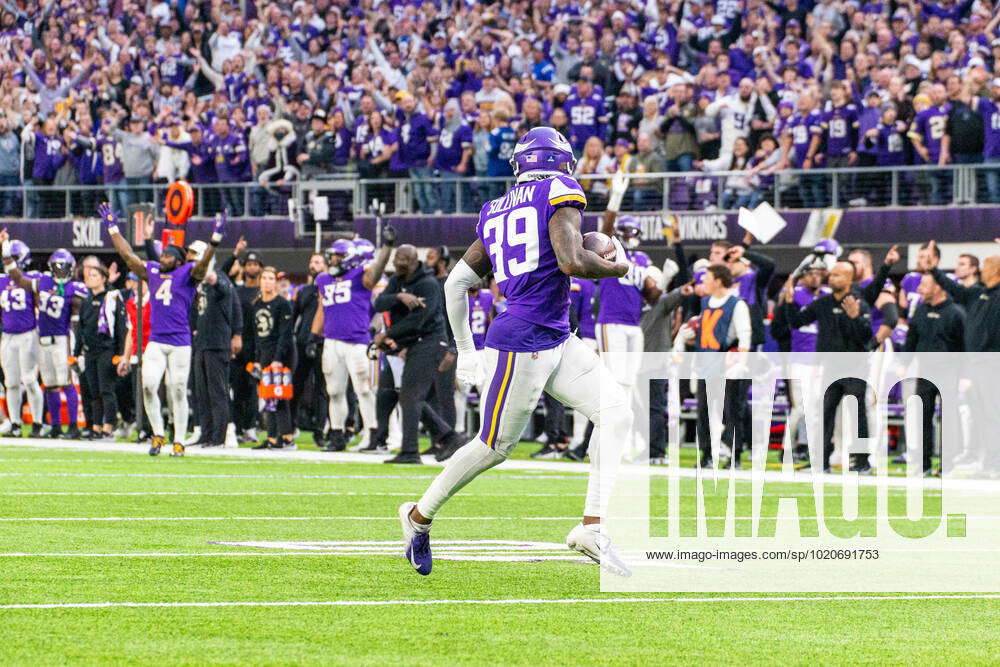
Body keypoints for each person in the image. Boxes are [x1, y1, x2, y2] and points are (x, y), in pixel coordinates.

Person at [397, 127, 632, 577]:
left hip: (555, 335)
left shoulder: (493, 209)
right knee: (493, 446)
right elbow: (571, 262)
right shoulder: (561, 189)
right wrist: (618, 265)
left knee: (616, 412)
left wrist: (466, 348)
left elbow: (456, 283)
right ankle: (418, 517)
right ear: (562, 161)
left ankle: (591, 526)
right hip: (522, 340)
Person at [100, 203, 223, 457]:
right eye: (162, 255)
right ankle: (157, 434)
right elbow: (127, 255)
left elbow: (202, 267)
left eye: (167, 256)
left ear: (178, 260)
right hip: (156, 340)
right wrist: (112, 226)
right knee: (148, 385)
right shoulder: (153, 272)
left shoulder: (188, 273)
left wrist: (214, 241)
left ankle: (179, 440)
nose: (162, 258)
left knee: (177, 388)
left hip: (180, 341)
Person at [372, 244, 465, 464]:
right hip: (416, 344)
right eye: (396, 259)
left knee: (412, 395)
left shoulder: (428, 285)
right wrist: (399, 297)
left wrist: (388, 335)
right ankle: (447, 437)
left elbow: (420, 320)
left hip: (433, 342)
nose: (397, 263)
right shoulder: (398, 281)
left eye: (402, 260)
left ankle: (412, 451)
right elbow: (378, 303)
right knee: (410, 395)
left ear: (414, 261)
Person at [779, 260, 873, 472]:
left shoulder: (858, 303)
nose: (832, 278)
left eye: (838, 275)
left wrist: (855, 318)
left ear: (849, 279)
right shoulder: (823, 303)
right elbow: (796, 321)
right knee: (825, 414)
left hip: (855, 366)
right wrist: (788, 302)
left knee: (857, 415)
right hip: (830, 367)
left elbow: (867, 338)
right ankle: (820, 461)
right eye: (831, 275)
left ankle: (862, 461)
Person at [309, 234, 392, 452]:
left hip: (357, 341)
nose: (333, 260)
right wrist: (313, 334)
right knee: (334, 391)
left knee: (363, 390)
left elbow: (377, 270)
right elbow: (322, 308)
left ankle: (373, 434)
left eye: (337, 256)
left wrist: (387, 247)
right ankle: (337, 434)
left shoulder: (360, 276)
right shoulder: (323, 280)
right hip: (331, 342)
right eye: (333, 256)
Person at [0, 245, 86, 438]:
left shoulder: (74, 288)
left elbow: (79, 316)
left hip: (62, 338)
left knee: (65, 382)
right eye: (57, 267)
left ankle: (72, 426)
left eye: (64, 267)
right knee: (49, 384)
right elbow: (20, 280)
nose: (60, 271)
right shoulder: (43, 281)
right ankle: (55, 426)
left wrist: (77, 348)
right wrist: (7, 256)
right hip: (42, 338)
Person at [674, 264, 752, 468]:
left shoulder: (737, 304)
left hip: (727, 363)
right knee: (704, 412)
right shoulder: (705, 302)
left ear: (718, 280)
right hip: (705, 364)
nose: (704, 282)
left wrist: (740, 364)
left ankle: (734, 456)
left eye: (707, 278)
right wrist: (690, 339)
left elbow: (744, 336)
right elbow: (704, 331)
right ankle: (707, 455)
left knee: (731, 411)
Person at [904, 272, 965, 474]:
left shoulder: (957, 313)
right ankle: (923, 464)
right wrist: (903, 364)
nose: (919, 288)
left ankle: (947, 464)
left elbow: (965, 346)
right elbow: (911, 341)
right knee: (922, 418)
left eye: (924, 284)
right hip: (924, 374)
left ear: (938, 287)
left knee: (949, 419)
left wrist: (965, 375)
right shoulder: (920, 311)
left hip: (949, 374)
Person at [190, 241, 241, 448]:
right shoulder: (201, 281)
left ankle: (219, 437)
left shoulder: (218, 277)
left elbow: (225, 293)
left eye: (195, 256)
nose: (191, 260)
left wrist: (236, 334)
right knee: (201, 392)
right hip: (202, 342)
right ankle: (207, 433)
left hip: (217, 342)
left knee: (217, 392)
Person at [73, 259, 126, 439]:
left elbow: (121, 328)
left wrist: (120, 355)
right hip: (90, 351)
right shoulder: (87, 301)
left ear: (104, 279)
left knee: (106, 390)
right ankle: (95, 427)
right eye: (88, 276)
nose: (90, 279)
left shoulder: (111, 298)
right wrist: (75, 352)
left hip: (106, 350)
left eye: (94, 276)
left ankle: (108, 427)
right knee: (93, 391)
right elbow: (81, 328)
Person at [0, 238, 45, 436]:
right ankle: (16, 423)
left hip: (28, 335)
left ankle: (37, 423)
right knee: (10, 382)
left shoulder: (30, 278)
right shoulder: (2, 280)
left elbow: (39, 305)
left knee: (28, 379)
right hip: (8, 336)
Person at [248, 266, 296, 449]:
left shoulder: (282, 304)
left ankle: (287, 437)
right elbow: (256, 335)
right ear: (260, 281)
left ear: (275, 282)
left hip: (282, 354)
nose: (268, 281)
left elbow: (285, 335)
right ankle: (273, 438)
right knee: (268, 397)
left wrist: (277, 358)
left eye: (271, 278)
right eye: (265, 278)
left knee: (279, 395)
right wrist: (258, 359)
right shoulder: (256, 304)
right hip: (265, 354)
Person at [291, 253, 327, 444]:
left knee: (322, 388)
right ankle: (291, 425)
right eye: (311, 261)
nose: (313, 265)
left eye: (318, 262)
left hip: (323, 343)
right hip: (302, 342)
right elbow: (294, 316)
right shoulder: (303, 291)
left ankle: (319, 430)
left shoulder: (330, 289)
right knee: (297, 384)